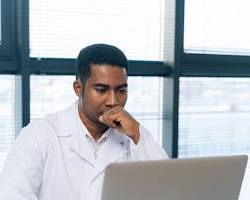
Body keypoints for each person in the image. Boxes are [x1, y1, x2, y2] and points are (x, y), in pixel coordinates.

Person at [0, 44, 168, 200]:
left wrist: (137, 133)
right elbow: (11, 194)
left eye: (121, 90)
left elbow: (167, 189)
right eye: (101, 90)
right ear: (78, 88)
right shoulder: (40, 134)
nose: (113, 101)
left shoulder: (135, 138)